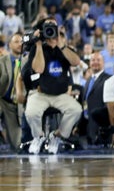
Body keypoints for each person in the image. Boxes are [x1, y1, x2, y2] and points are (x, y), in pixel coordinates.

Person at [24, 18, 84, 154]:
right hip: (40, 93)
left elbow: (76, 62)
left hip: (61, 94)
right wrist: (39, 45)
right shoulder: (36, 47)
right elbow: (38, 69)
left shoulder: (64, 48)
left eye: (53, 27)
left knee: (76, 109)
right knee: (31, 113)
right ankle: (38, 137)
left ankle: (57, 136)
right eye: (47, 27)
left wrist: (62, 45)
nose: (50, 30)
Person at [79, 51, 111, 145]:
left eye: (98, 60)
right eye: (93, 60)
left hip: (101, 130)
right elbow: (84, 103)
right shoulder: (88, 80)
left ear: (103, 63)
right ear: (89, 63)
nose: (95, 62)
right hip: (88, 128)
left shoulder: (109, 79)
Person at [0, 32, 24, 149]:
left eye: (21, 41)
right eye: (16, 42)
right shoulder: (2, 61)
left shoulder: (29, 61)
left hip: (20, 104)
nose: (20, 44)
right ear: (9, 45)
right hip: (3, 101)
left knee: (17, 144)